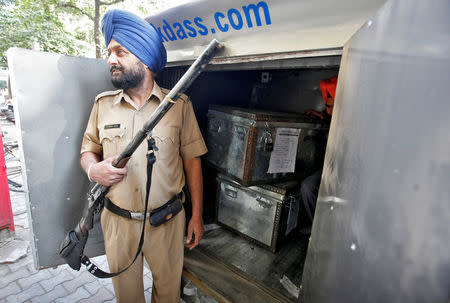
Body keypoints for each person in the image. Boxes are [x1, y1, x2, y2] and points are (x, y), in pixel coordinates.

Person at [79, 9, 207, 303]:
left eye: (120, 52)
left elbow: (193, 161)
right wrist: (93, 170)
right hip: (119, 223)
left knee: (168, 294)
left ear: (145, 59)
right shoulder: (103, 105)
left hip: (168, 222)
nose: (111, 60)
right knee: (128, 298)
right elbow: (88, 150)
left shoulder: (178, 105)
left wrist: (196, 216)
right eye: (109, 53)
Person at [300, 76, 337, 233]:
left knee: (311, 187)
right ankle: (316, 226)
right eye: (327, 107)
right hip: (329, 167)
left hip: (345, 171)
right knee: (305, 182)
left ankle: (325, 233)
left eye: (332, 106)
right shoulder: (329, 116)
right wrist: (320, 115)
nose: (329, 111)